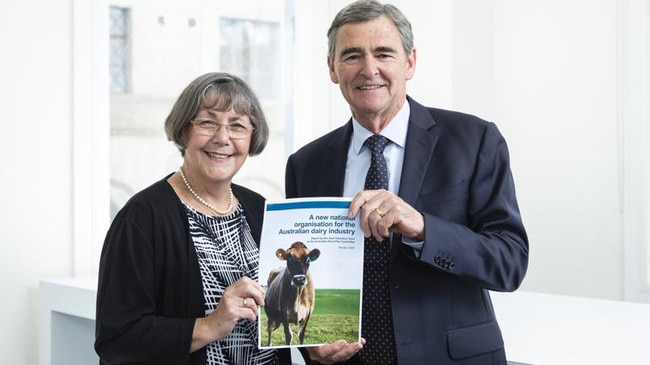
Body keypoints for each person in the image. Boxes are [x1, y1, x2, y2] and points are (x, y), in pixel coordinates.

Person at [285, 1, 529, 364]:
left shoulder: (475, 140)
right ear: (332, 68)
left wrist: (424, 228)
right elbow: (306, 271)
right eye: (352, 56)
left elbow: (509, 262)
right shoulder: (306, 164)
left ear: (410, 62)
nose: (370, 69)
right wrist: (308, 345)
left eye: (384, 53)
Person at [95, 72, 291, 365]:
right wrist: (211, 324)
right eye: (207, 122)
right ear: (184, 130)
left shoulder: (260, 209)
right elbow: (117, 338)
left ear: (252, 139)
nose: (222, 138)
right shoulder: (141, 218)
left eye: (237, 125)